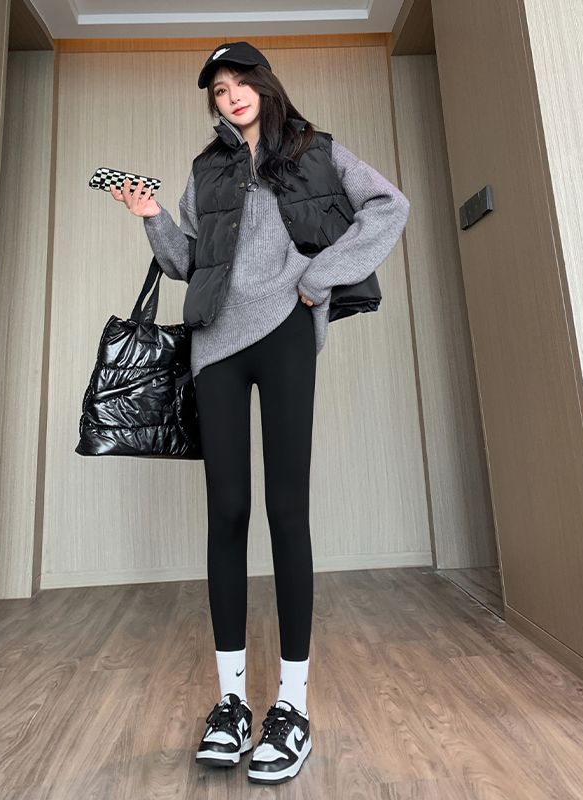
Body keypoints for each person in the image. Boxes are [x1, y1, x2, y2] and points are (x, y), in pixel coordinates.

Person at [111, 41, 410, 785]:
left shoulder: (316, 150)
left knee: (286, 509)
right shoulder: (204, 169)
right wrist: (151, 216)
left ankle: (293, 706)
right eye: (218, 89)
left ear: (264, 86)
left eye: (240, 82)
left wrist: (320, 278)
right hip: (215, 343)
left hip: (284, 335)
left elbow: (389, 206)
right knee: (228, 511)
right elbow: (188, 262)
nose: (231, 95)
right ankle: (233, 704)